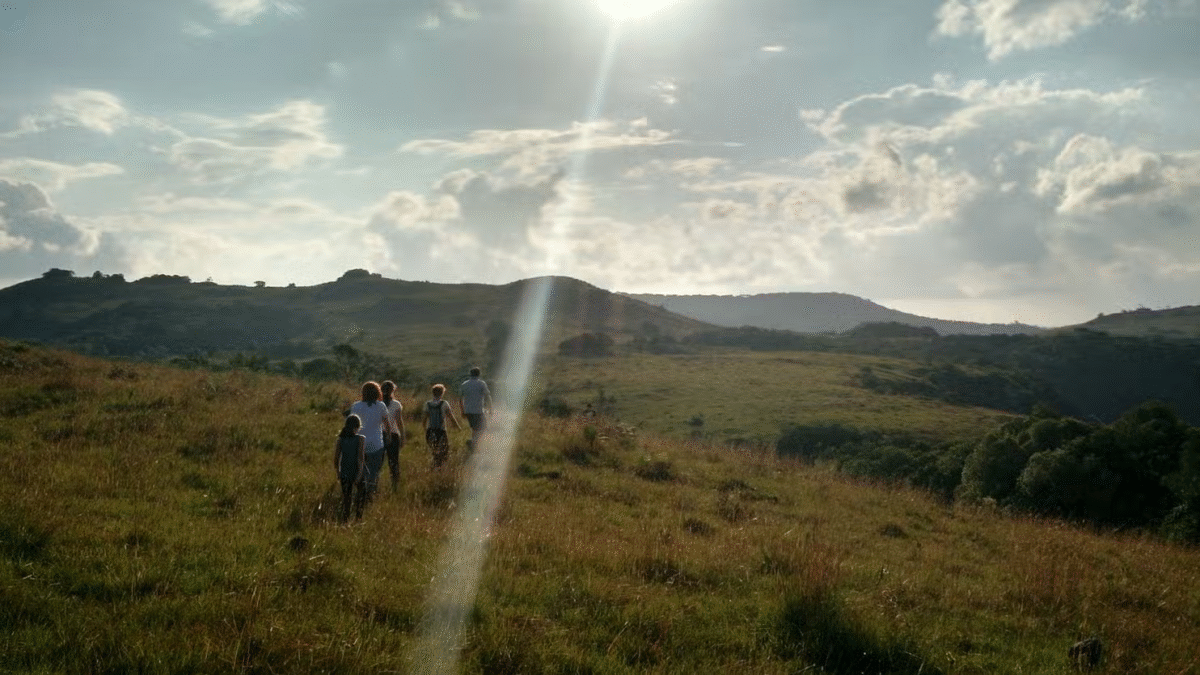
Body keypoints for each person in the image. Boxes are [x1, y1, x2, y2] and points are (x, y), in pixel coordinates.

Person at [349, 381, 393, 503]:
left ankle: (360, 492)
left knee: (360, 468)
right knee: (374, 470)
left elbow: (351, 426)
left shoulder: (356, 406)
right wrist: (388, 437)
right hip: (376, 444)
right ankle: (370, 494)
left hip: (359, 444)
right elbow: (387, 425)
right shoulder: (381, 406)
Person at [333, 414, 366, 524]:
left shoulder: (341, 439)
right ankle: (358, 518)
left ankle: (345, 520)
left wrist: (338, 472)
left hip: (345, 472)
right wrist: (360, 474)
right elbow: (360, 459)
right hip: (357, 471)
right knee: (360, 497)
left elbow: (336, 458)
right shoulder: (360, 439)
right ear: (357, 426)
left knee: (347, 498)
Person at [423, 383, 461, 468]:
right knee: (444, 450)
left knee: (434, 451)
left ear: (433, 393)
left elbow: (424, 419)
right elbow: (451, 417)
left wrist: (425, 430)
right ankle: (440, 468)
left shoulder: (427, 404)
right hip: (441, 430)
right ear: (442, 393)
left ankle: (435, 467)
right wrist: (457, 426)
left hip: (430, 430)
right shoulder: (444, 403)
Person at [380, 380, 406, 492]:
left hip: (379, 434)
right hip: (394, 434)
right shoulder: (396, 404)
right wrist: (403, 436)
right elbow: (399, 422)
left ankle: (373, 483)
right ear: (393, 390)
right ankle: (395, 484)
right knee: (394, 461)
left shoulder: (377, 403)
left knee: (378, 461)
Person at [459, 367, 492, 450]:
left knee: (475, 428)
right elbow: (488, 396)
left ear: (470, 374)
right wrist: (490, 408)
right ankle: (473, 443)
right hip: (478, 410)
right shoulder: (481, 383)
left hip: (468, 410)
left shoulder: (465, 384)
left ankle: (473, 442)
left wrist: (462, 411)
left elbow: (460, 398)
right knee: (482, 427)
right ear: (479, 374)